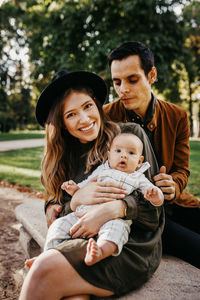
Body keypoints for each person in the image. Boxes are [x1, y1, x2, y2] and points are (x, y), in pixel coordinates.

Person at [19, 70, 164, 299]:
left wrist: (117, 208)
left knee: (42, 272)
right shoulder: (65, 161)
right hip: (80, 240)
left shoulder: (129, 135)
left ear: (97, 105)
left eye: (87, 106)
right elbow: (60, 211)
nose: (85, 119)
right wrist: (76, 200)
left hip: (126, 245)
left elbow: (155, 211)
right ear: (62, 123)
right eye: (72, 114)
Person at [103, 41, 200, 269]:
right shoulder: (106, 118)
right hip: (141, 215)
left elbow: (182, 169)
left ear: (152, 74)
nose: (122, 89)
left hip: (177, 204)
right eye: (117, 82)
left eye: (132, 79)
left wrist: (174, 184)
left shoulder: (178, 116)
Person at [26, 132, 163, 268]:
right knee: (58, 226)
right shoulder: (102, 170)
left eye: (131, 153)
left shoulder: (138, 177)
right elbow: (87, 183)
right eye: (118, 151)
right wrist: (75, 190)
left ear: (139, 161)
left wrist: (155, 196)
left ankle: (100, 251)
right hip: (83, 213)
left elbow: (153, 197)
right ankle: (46, 255)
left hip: (114, 218)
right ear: (109, 155)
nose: (123, 155)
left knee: (116, 231)